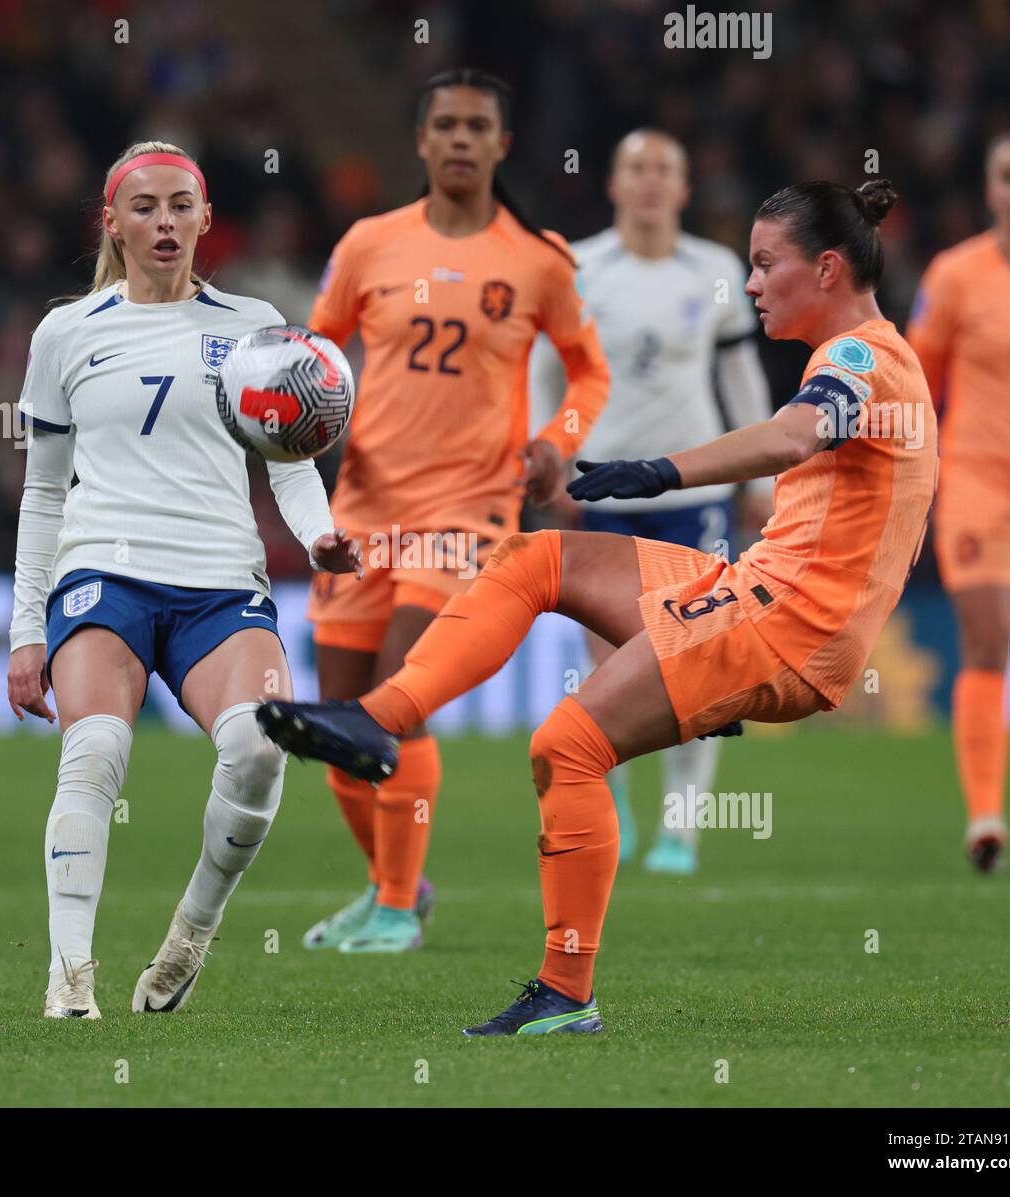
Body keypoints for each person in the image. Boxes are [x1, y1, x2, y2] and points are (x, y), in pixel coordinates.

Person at [258, 178, 937, 1035]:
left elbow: (796, 436)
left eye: (767, 266)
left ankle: (566, 993)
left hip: (785, 623)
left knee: (566, 746)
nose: (753, 284)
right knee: (540, 559)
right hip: (759, 591)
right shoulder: (874, 357)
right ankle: (379, 720)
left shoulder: (858, 359)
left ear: (828, 268)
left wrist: (664, 469)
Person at [7, 141, 360, 1019]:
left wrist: (320, 537)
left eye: (179, 206)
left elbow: (291, 460)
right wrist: (25, 628)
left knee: (257, 747)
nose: (163, 222)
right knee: (94, 751)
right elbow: (45, 489)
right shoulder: (66, 332)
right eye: (145, 207)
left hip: (218, 580)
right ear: (113, 223)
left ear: (205, 219)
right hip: (103, 570)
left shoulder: (255, 324)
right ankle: (70, 975)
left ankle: (192, 931)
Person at [299, 69, 609, 953]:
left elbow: (589, 370)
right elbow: (314, 356)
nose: (463, 138)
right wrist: (298, 438)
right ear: (423, 141)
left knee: (398, 698)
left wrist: (559, 439)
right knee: (335, 717)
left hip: (469, 510)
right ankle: (393, 884)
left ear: (502, 143)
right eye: (447, 124)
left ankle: (396, 909)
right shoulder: (368, 245)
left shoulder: (539, 259)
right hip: (362, 507)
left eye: (479, 125)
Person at [530, 128, 772, 872]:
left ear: (685, 187)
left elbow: (739, 380)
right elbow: (547, 367)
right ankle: (615, 812)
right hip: (602, 485)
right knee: (608, 667)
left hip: (692, 488)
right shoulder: (578, 266)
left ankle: (683, 828)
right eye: (636, 168)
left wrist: (758, 478)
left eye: (665, 168)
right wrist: (552, 459)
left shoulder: (716, 269)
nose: (650, 182)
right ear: (613, 183)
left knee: (699, 660)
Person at [907, 131, 1010, 875]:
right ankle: (984, 817)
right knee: (988, 636)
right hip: (978, 485)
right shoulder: (956, 274)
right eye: (1006, 175)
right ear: (989, 190)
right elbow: (918, 381)